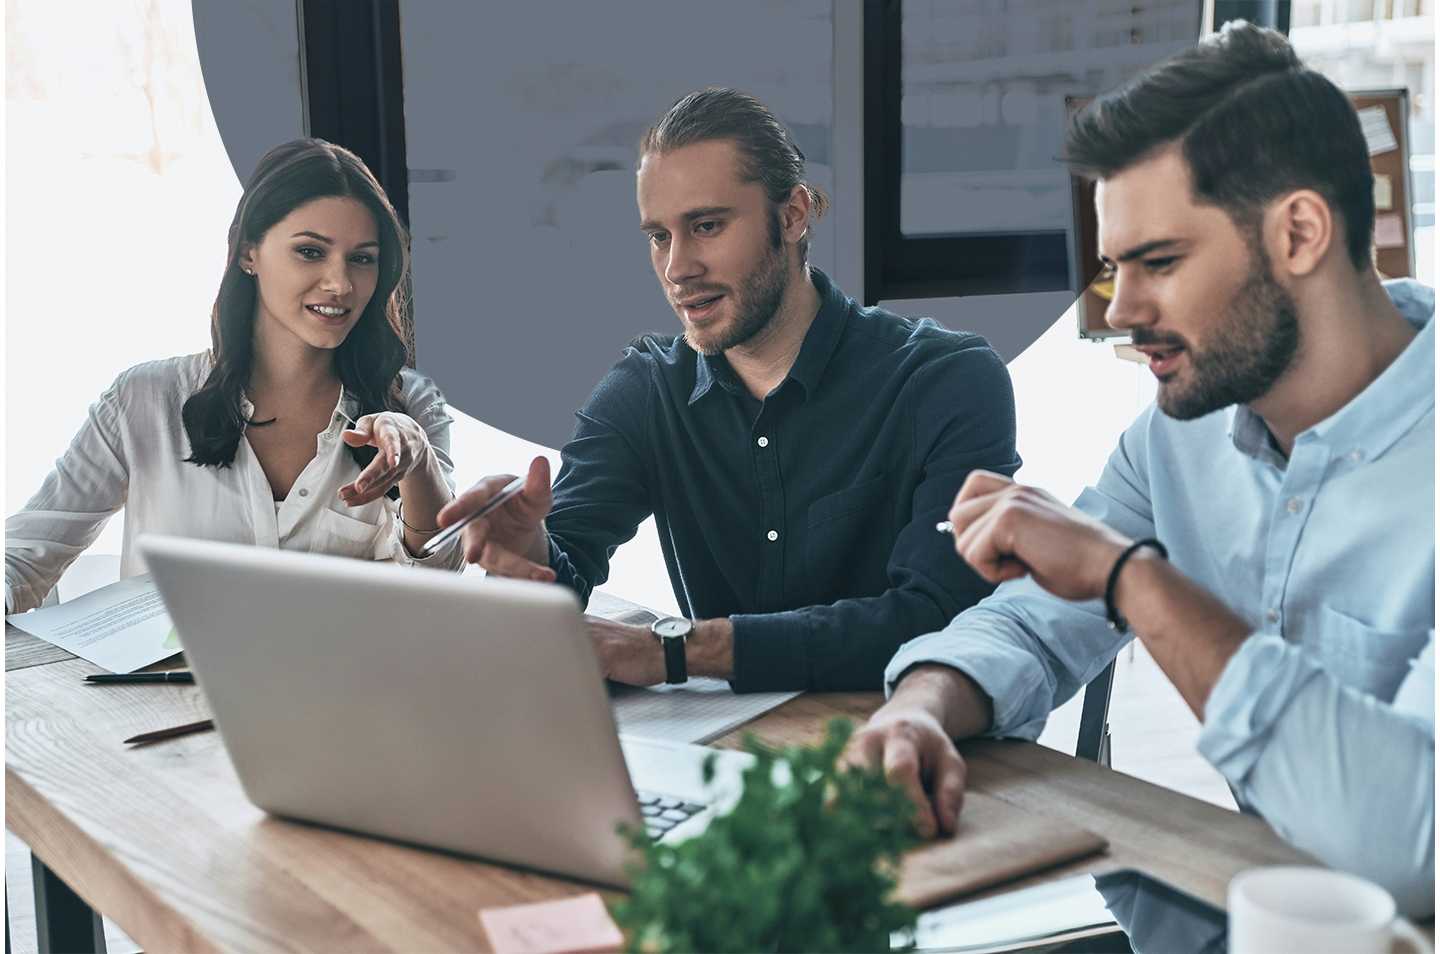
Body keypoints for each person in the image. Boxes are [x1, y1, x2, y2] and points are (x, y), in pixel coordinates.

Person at [845, 22, 1434, 916]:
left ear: (1301, 232)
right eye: (1116, 268)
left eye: (1159, 261)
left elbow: (1409, 845)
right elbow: (1036, 622)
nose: (1121, 310)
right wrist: (923, 707)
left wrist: (1132, 580)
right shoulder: (1179, 437)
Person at [438, 88, 1020, 692]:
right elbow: (563, 574)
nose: (677, 267)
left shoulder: (947, 380)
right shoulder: (645, 391)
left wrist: (678, 650)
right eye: (659, 236)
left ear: (792, 215)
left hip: (912, 743)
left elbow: (939, 617)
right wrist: (527, 547)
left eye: (707, 226)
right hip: (729, 754)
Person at [5, 139, 464, 613]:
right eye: (310, 252)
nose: (340, 283)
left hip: (341, 685)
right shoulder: (144, 399)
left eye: (361, 258)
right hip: (162, 688)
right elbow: (23, 561)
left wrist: (418, 463)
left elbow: (439, 587)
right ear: (250, 253)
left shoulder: (410, 405)